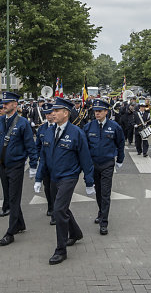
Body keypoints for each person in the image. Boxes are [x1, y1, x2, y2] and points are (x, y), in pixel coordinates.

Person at [34, 97, 94, 265]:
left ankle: (61, 250)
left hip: (69, 176)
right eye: (52, 111)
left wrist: (89, 182)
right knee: (62, 208)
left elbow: (86, 159)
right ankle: (75, 233)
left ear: (65, 113)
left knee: (58, 210)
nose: (52, 114)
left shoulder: (77, 133)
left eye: (56, 111)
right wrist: (39, 178)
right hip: (53, 177)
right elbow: (44, 159)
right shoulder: (48, 131)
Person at [0, 91, 38, 246]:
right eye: (3, 103)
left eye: (7, 103)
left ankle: (11, 232)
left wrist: (33, 166)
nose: (4, 105)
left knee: (13, 199)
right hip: (1, 164)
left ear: (15, 105)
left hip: (16, 165)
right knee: (9, 195)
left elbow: (30, 146)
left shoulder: (22, 123)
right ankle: (20, 223)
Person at [83, 99, 125, 236]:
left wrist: (120, 160)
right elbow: (84, 147)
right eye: (95, 111)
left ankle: (104, 222)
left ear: (106, 112)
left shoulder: (114, 127)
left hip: (107, 163)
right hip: (94, 164)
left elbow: (120, 143)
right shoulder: (89, 127)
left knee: (106, 193)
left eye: (100, 111)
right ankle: (101, 212)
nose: (97, 113)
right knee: (99, 191)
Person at [35, 102, 57, 225]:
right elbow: (37, 146)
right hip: (45, 164)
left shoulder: (60, 127)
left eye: (51, 113)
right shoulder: (42, 129)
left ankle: (55, 211)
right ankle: (50, 206)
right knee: (47, 187)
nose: (49, 116)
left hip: (58, 164)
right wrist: (39, 158)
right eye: (46, 114)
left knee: (56, 188)